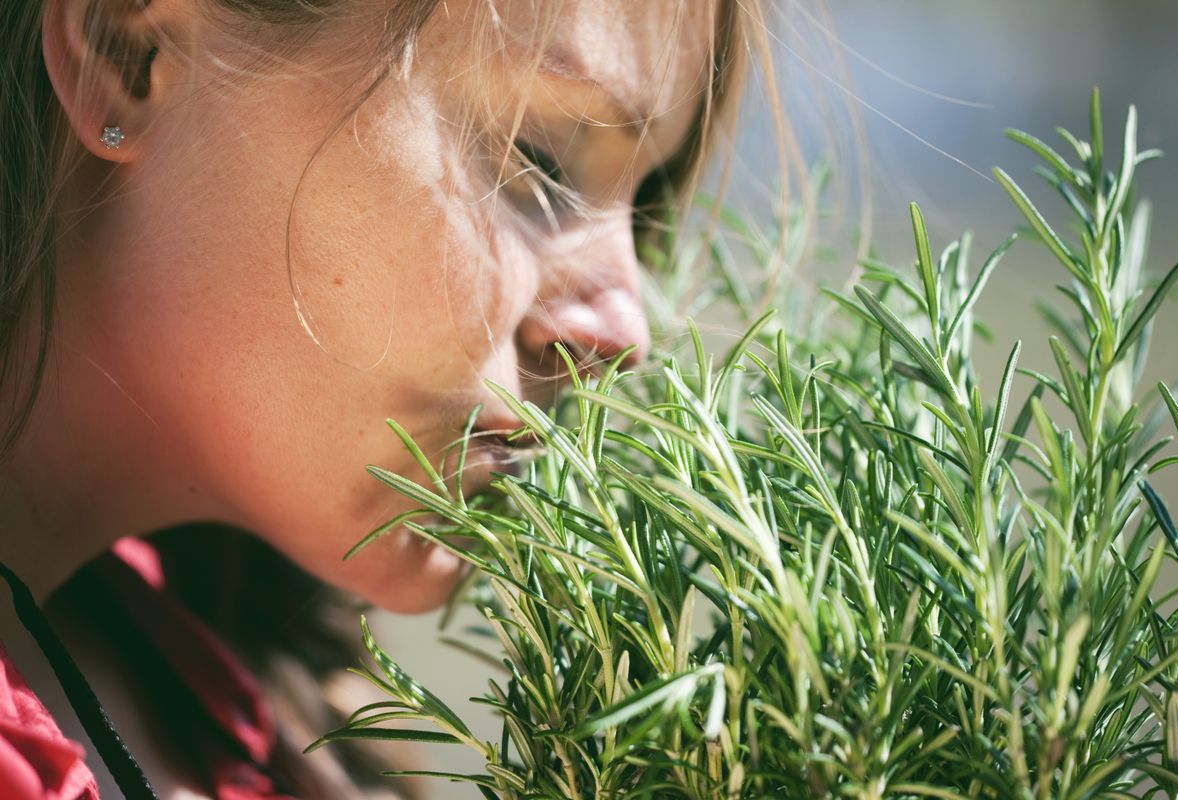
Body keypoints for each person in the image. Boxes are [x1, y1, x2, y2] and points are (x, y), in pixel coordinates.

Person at [0, 0, 761, 796]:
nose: (624, 330)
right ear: (127, 54)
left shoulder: (215, 707)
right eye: (538, 162)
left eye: (641, 213)